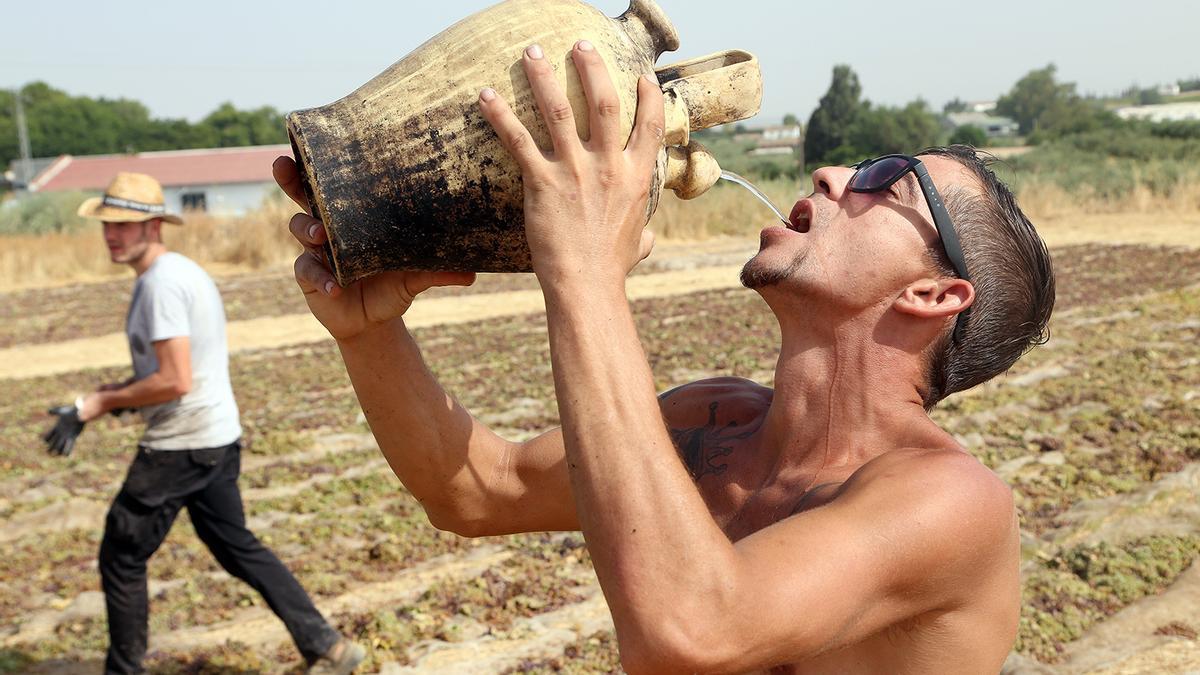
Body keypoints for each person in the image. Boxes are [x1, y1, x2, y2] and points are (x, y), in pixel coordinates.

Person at [274, 40, 1054, 674]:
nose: (834, 174)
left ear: (936, 295)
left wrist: (582, 268)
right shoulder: (710, 421)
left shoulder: (951, 502)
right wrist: (369, 333)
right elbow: (480, 490)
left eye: (889, 180)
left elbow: (692, 629)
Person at [42, 172, 364, 675]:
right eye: (108, 223)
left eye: (124, 224)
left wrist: (98, 407)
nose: (112, 234)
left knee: (121, 554)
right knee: (237, 548)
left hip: (182, 444)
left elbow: (174, 380)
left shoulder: (160, 287)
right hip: (215, 436)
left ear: (152, 226)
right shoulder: (180, 273)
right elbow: (163, 373)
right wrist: (99, 398)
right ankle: (329, 646)